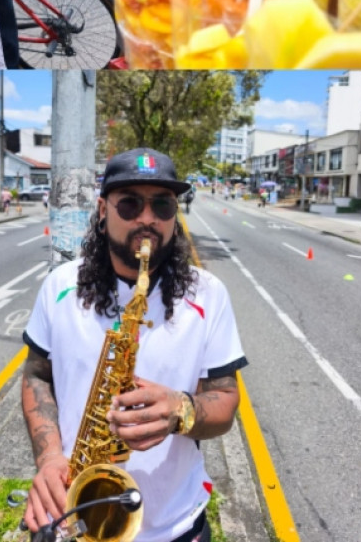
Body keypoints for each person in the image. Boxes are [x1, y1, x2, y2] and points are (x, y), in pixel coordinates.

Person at [21, 147, 246, 542]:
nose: (147, 218)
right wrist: (49, 456)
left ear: (175, 216)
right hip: (77, 516)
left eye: (162, 205)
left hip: (175, 524)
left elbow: (226, 399)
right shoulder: (59, 286)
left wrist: (183, 410)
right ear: (103, 210)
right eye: (130, 204)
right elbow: (37, 377)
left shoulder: (209, 294)